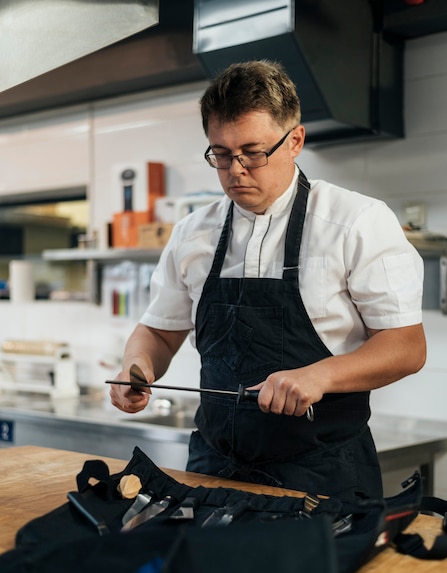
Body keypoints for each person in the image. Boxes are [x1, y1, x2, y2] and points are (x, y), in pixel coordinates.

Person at [110, 60, 426, 501]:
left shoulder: (356, 222)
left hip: (321, 477)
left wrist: (319, 375)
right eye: (220, 154)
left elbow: (406, 348)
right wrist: (136, 367)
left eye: (253, 152)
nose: (235, 169)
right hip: (213, 473)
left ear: (295, 140)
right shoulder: (191, 233)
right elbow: (159, 333)